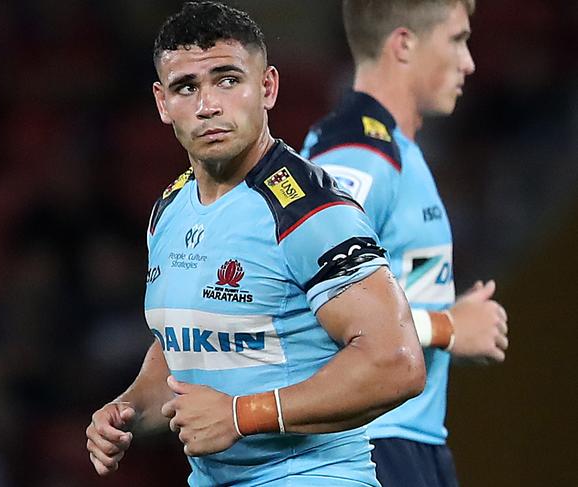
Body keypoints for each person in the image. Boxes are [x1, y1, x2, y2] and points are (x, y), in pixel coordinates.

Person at [86, 2, 425, 486]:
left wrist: (244, 415)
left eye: (227, 79)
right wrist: (126, 411)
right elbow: (185, 348)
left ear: (267, 87)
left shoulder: (310, 211)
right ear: (163, 103)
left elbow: (397, 363)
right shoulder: (170, 208)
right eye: (187, 87)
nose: (209, 105)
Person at [301, 1, 509, 486]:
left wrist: (442, 312)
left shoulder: (394, 149)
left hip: (410, 442)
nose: (469, 61)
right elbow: (310, 313)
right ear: (403, 44)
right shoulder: (358, 155)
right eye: (457, 39)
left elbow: (368, 293)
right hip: (371, 446)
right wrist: (450, 327)